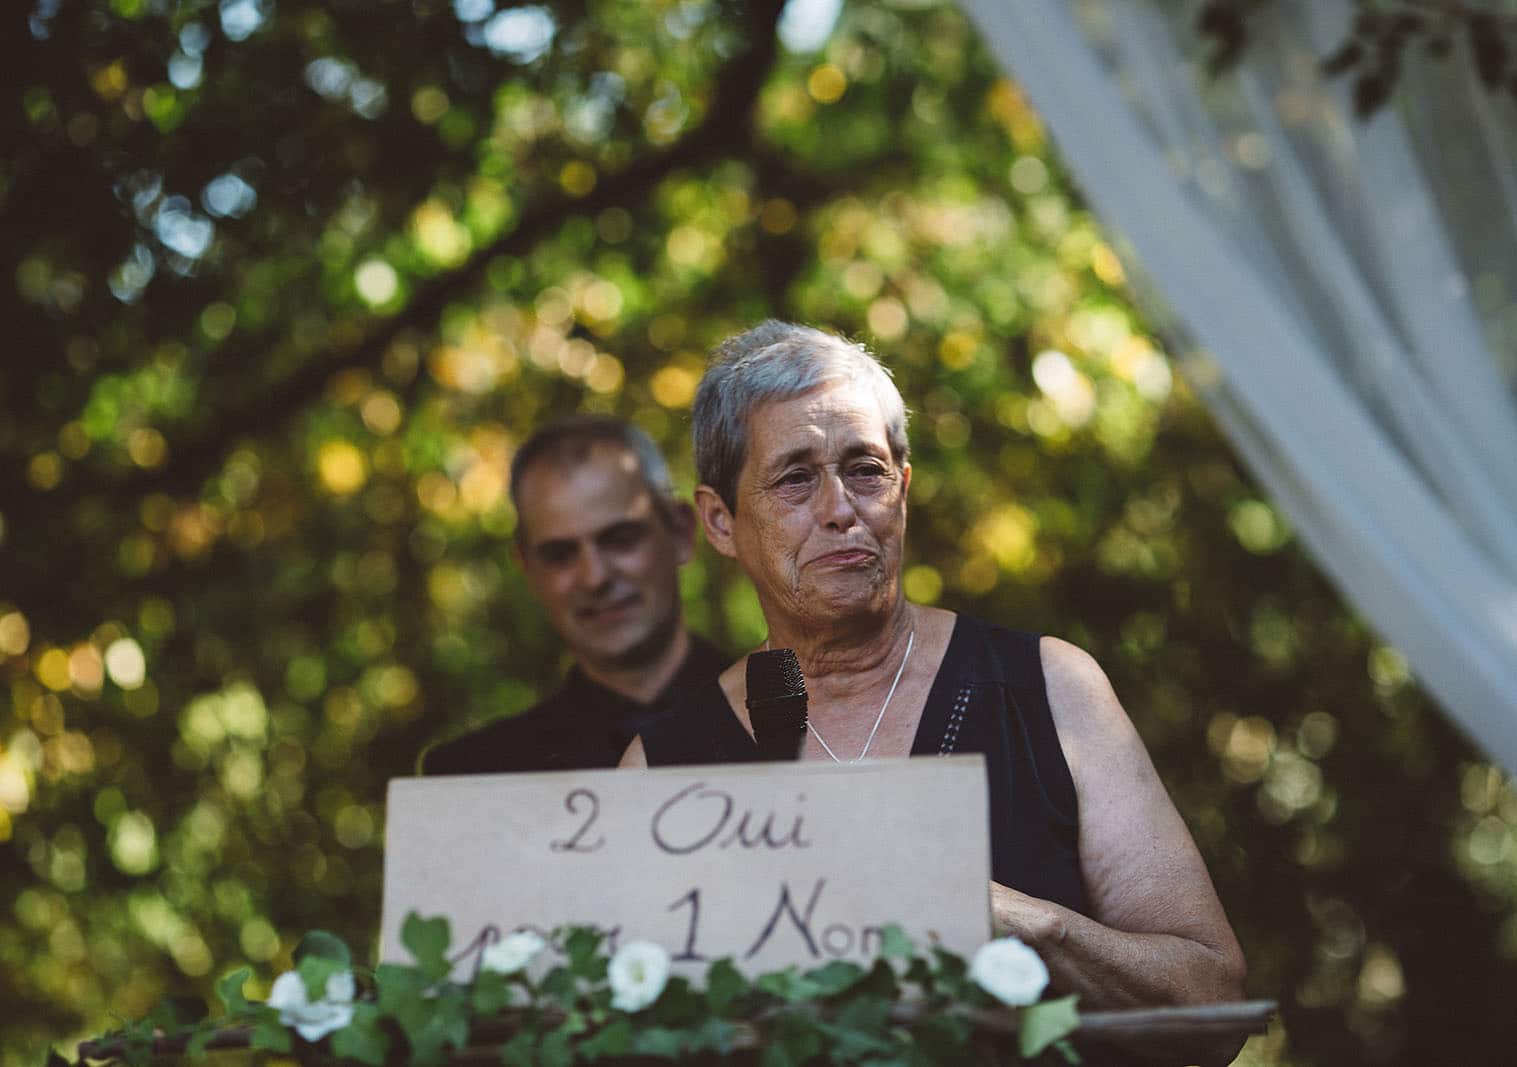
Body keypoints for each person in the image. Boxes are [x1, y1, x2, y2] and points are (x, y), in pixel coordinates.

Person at [621, 322, 1247, 1064]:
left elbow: (1217, 1001)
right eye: (795, 478)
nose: (839, 508)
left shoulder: (1047, 689)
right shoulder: (665, 767)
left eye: (865, 469)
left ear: (904, 489)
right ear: (720, 521)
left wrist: (1021, 925)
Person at [421, 416, 728, 774]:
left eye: (620, 539)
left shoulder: (800, 728)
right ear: (529, 569)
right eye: (560, 554)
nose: (595, 577)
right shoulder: (469, 777)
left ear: (680, 533)